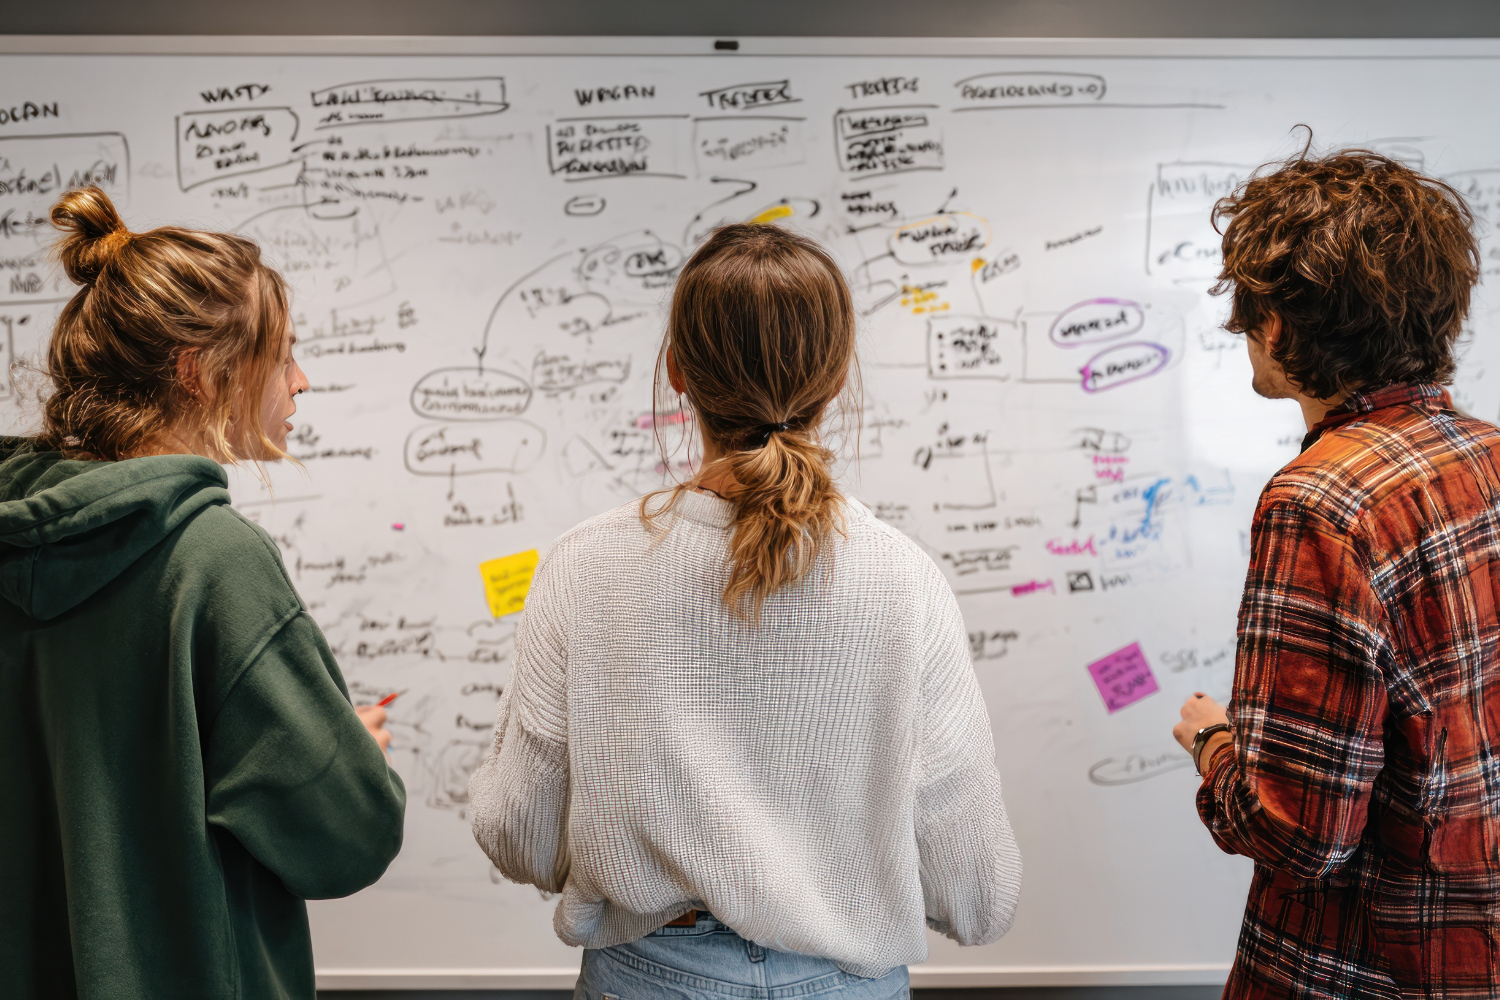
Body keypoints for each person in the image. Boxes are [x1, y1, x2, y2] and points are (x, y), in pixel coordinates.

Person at [469, 223, 1021, 999]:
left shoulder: (583, 568)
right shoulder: (905, 580)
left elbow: (519, 835)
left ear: (677, 371)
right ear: (834, 382)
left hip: (650, 977)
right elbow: (977, 894)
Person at [0, 186, 406, 1000]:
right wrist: (342, 746)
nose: (302, 380)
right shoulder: (213, 558)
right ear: (197, 371)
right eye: (282, 353)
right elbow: (346, 836)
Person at [1172, 148, 1498, 998]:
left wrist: (1214, 745)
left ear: (1278, 324)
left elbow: (1301, 836)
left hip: (1359, 965)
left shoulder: (1321, 502)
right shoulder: (1490, 456)